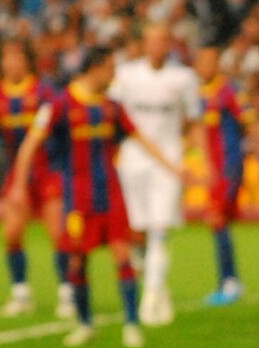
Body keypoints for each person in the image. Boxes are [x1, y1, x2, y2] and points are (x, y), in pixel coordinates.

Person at [9, 47, 189, 348]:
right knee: (77, 261)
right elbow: (31, 143)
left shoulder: (111, 107)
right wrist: (18, 184)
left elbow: (141, 139)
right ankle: (85, 324)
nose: (114, 75)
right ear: (95, 68)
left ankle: (131, 324)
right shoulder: (61, 104)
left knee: (122, 255)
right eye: (110, 68)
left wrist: (174, 168)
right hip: (78, 199)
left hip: (112, 195)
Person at [0, 40, 73, 319]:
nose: (11, 63)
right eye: (7, 58)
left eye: (16, 57)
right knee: (12, 234)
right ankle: (20, 294)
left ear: (27, 61)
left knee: (58, 234)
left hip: (48, 172)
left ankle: (68, 293)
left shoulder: (44, 93)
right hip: (16, 175)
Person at [110, 22, 209, 326]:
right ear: (143, 43)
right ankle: (153, 278)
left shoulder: (183, 78)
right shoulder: (126, 75)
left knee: (160, 229)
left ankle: (152, 295)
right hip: (132, 160)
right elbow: (111, 115)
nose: (157, 46)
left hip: (169, 162)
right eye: (151, 40)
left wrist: (200, 160)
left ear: (170, 44)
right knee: (137, 230)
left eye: (163, 40)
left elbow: (194, 121)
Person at [193, 45, 251, 306]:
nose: (203, 67)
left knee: (217, 219)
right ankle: (228, 281)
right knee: (218, 222)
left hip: (228, 166)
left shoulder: (229, 90)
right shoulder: (197, 93)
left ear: (217, 65)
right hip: (212, 168)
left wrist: (239, 153)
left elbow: (247, 119)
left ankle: (229, 282)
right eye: (200, 62)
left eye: (209, 62)